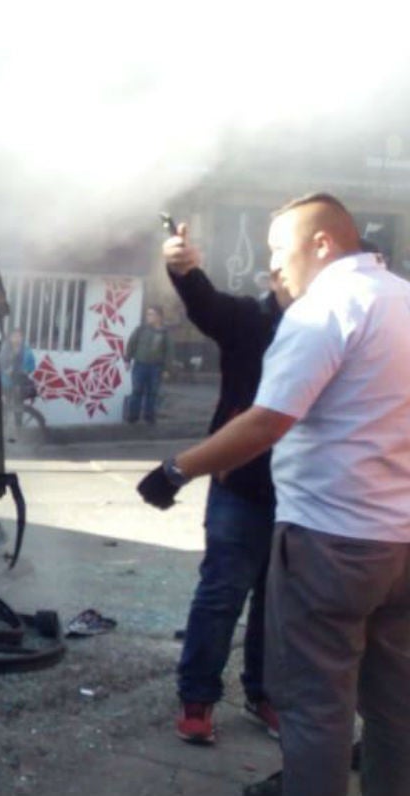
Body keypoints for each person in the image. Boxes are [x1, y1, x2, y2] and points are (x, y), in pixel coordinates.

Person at [138, 193, 410, 796]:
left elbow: (267, 422)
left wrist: (176, 471)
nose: (273, 266)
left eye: (278, 249)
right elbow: (211, 308)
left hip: (330, 538)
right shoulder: (402, 299)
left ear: (322, 243)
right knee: (395, 707)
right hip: (399, 542)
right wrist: (183, 272)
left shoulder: (324, 310)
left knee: (317, 706)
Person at [161, 222, 285, 746]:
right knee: (221, 593)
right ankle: (197, 698)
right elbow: (206, 304)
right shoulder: (250, 319)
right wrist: (183, 271)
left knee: (276, 604)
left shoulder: (335, 327)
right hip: (241, 483)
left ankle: (264, 694)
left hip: (302, 491)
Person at [122, 304, 171, 424]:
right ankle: (133, 418)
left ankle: (149, 418)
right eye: (147, 314)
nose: (148, 317)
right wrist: (127, 360)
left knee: (152, 393)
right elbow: (131, 343)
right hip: (140, 365)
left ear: (159, 316)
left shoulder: (165, 332)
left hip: (156, 367)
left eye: (151, 314)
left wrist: (167, 369)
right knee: (137, 391)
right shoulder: (141, 329)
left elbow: (169, 351)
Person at [0, 328, 36, 427]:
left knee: (19, 408)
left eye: (19, 336)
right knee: (6, 408)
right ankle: (5, 430)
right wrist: (6, 370)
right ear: (10, 338)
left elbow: (32, 365)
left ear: (22, 338)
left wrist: (26, 371)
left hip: (20, 384)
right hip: (6, 383)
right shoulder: (5, 350)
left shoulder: (27, 351)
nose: (16, 338)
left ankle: (19, 431)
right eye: (14, 336)